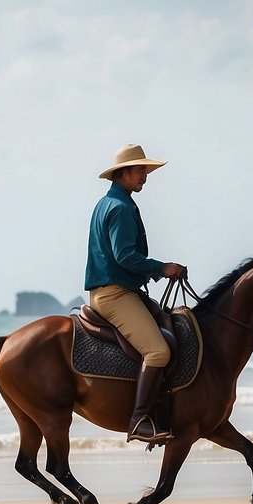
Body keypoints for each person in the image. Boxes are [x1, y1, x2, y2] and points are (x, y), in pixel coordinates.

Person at [85, 143, 187, 444]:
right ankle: (139, 419)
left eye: (146, 170)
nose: (145, 176)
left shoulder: (108, 202)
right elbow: (124, 256)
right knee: (158, 351)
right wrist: (162, 267)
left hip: (119, 290)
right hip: (115, 294)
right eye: (142, 170)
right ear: (125, 173)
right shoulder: (121, 208)